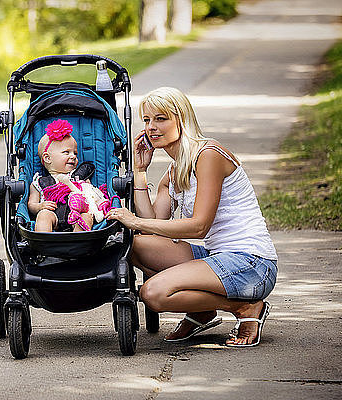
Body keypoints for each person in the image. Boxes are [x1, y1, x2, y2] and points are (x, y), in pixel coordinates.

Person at [107, 87, 278, 347]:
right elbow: (155, 230)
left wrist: (135, 221)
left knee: (152, 293)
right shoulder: (175, 172)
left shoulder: (208, 155)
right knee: (133, 246)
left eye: (161, 119)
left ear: (182, 120)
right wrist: (140, 171)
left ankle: (245, 307)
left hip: (252, 264)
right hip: (218, 259)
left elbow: (199, 227)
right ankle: (202, 311)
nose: (151, 127)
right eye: (147, 120)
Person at [28, 119, 112, 232]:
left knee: (87, 216)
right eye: (66, 152)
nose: (73, 156)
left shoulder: (79, 177)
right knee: (43, 215)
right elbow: (31, 204)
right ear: (47, 158)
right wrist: (40, 206)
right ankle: (44, 243)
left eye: (75, 153)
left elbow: (90, 194)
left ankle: (79, 243)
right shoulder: (39, 182)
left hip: (78, 214)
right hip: (54, 216)